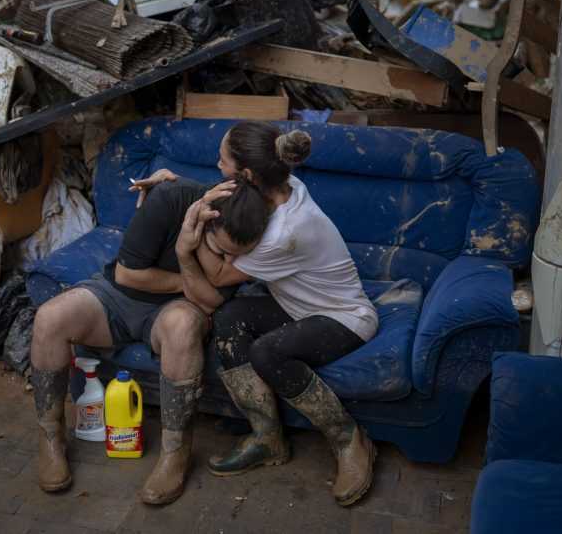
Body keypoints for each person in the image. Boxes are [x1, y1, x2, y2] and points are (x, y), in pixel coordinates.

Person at [131, 121, 379, 506]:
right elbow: (227, 197)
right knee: (230, 319)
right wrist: (173, 185)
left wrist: (191, 231)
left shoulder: (284, 232)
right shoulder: (284, 185)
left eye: (222, 160)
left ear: (245, 174)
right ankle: (267, 439)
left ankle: (350, 440)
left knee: (267, 352)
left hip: (343, 316)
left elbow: (216, 276)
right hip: (296, 307)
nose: (216, 164)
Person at [29, 177, 269, 505]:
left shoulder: (256, 233)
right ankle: (50, 437)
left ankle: (175, 453)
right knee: (49, 318)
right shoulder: (171, 198)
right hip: (118, 294)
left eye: (235, 258)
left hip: (175, 310)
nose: (226, 265)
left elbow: (210, 301)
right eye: (220, 251)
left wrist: (187, 255)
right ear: (205, 218)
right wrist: (192, 282)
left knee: (183, 325)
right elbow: (129, 275)